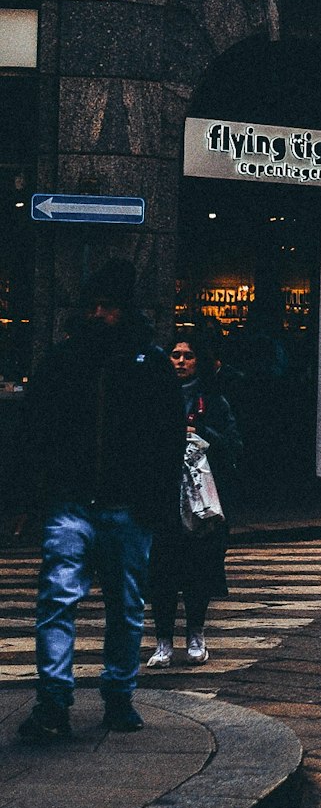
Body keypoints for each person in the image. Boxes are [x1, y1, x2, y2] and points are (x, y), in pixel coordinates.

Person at [16, 257, 186, 742]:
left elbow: (168, 440)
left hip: (125, 507)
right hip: (73, 504)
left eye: (106, 306)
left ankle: (117, 695)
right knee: (59, 600)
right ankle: (55, 699)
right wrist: (36, 496)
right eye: (91, 305)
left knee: (125, 605)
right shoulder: (65, 360)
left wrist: (155, 503)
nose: (97, 314)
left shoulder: (147, 363)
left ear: (124, 310)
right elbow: (34, 433)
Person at [146, 334, 242, 669]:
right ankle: (163, 640)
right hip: (163, 497)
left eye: (188, 355)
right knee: (162, 572)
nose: (181, 361)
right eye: (175, 355)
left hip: (203, 499)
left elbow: (234, 445)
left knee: (198, 571)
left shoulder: (214, 401)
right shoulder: (154, 398)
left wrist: (203, 435)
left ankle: (196, 634)